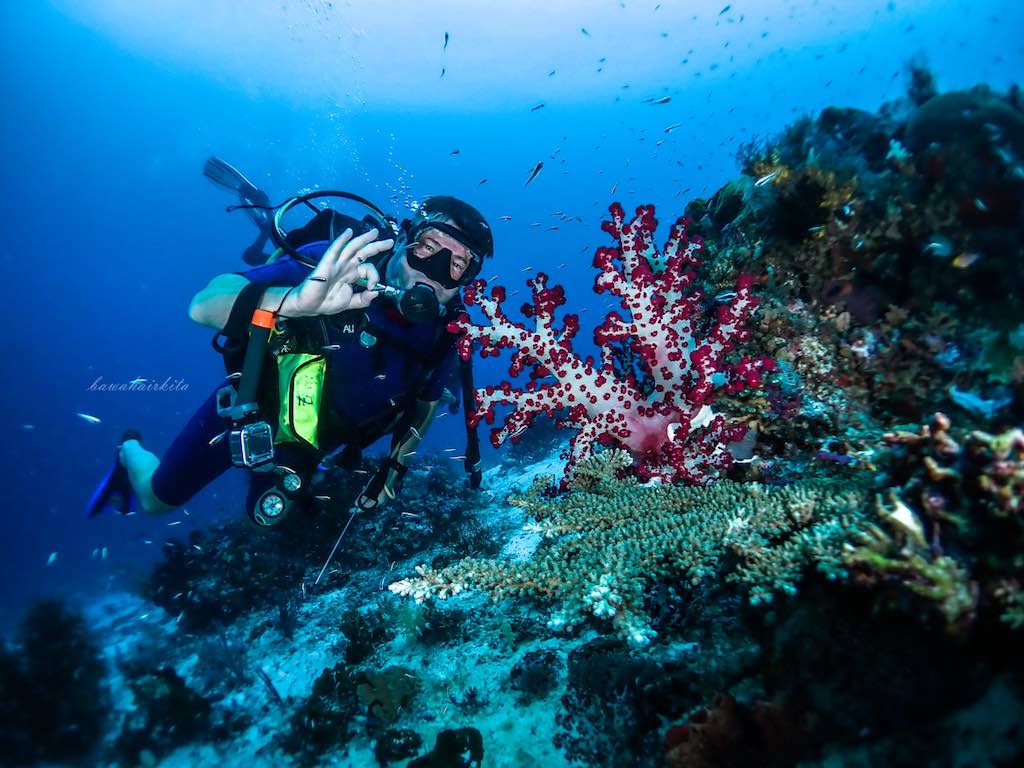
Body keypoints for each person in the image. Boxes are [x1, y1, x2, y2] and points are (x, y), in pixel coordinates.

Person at [87, 158, 492, 528]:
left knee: (271, 516)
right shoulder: (336, 264)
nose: (436, 272)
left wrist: (395, 467)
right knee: (158, 501)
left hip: (315, 443)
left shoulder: (447, 332)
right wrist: (293, 302)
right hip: (252, 408)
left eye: (458, 265)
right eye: (428, 247)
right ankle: (130, 451)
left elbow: (425, 402)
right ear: (404, 239)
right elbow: (203, 306)